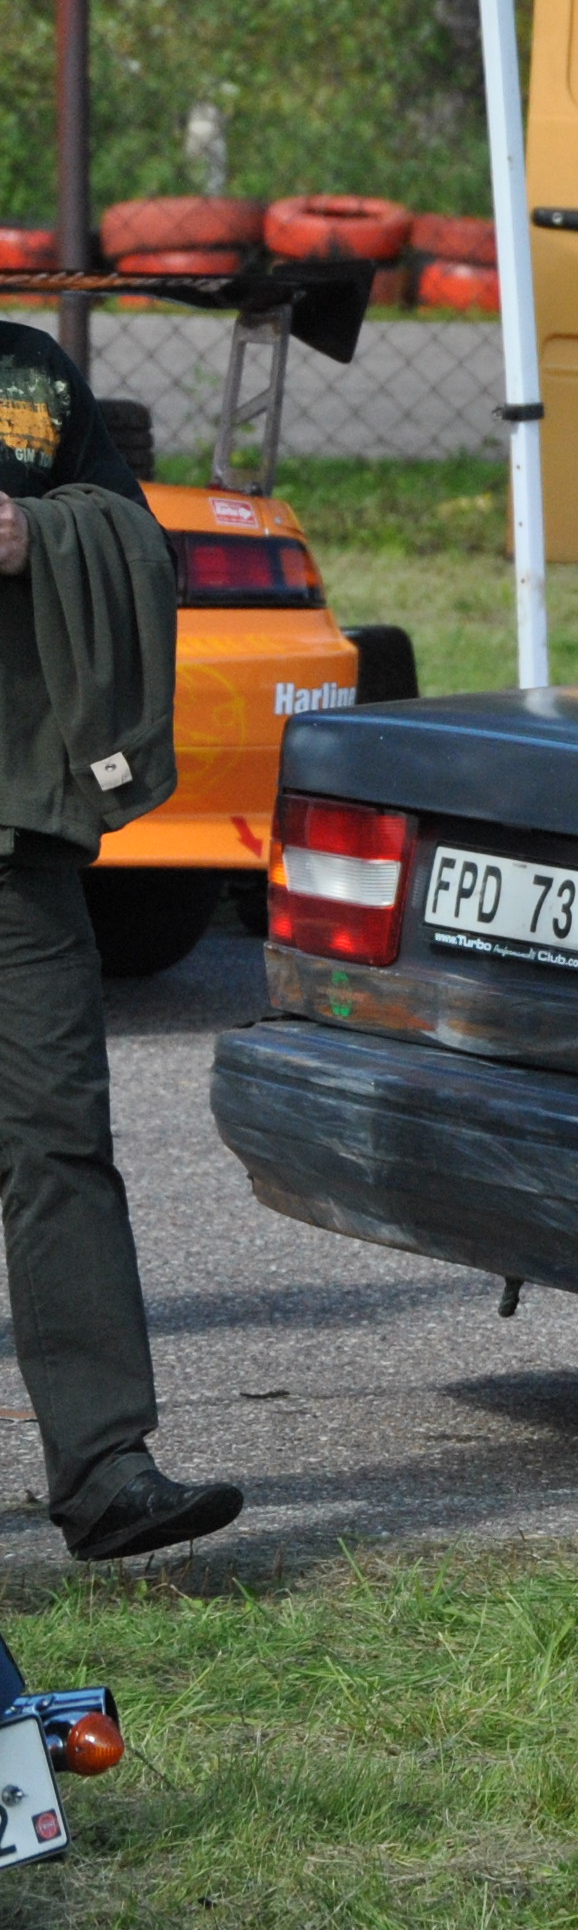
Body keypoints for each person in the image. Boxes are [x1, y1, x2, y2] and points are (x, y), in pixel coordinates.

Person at [0, 316, 239, 1560]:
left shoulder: (28, 375)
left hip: (16, 841)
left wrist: (36, 533)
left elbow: (137, 537)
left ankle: (105, 1473)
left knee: (61, 1143)